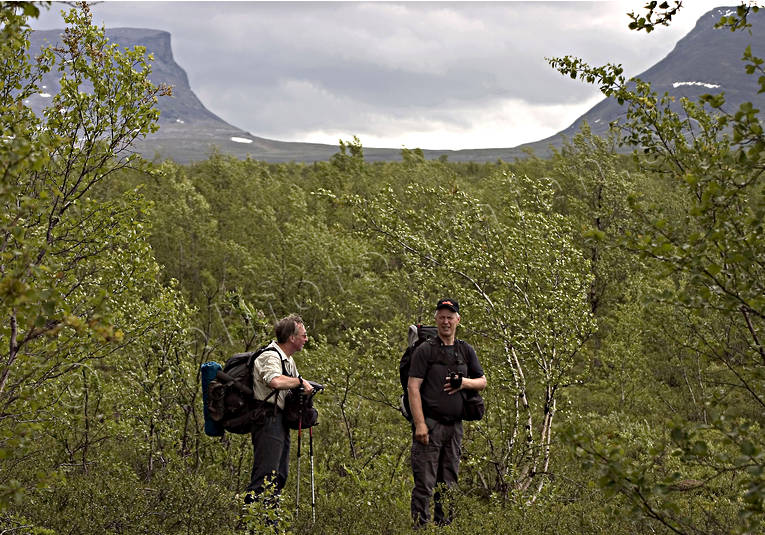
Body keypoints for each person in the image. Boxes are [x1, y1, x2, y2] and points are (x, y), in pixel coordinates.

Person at [407, 298, 487, 528]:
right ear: (436, 319)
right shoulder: (425, 350)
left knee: (449, 483)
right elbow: (413, 387)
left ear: (458, 320)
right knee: (425, 484)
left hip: (455, 428)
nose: (445, 321)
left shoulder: (465, 350)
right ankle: (419, 529)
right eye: (441, 317)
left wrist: (463, 383)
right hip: (430, 427)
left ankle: (445, 528)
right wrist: (420, 424)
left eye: (450, 317)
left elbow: (482, 381)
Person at [244, 314, 314, 507]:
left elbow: (291, 388)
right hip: (267, 418)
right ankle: (251, 523)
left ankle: (269, 523)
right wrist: (300, 381)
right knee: (265, 475)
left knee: (279, 475)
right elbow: (274, 381)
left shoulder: (288, 360)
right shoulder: (270, 355)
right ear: (292, 338)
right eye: (304, 335)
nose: (306, 339)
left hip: (279, 420)